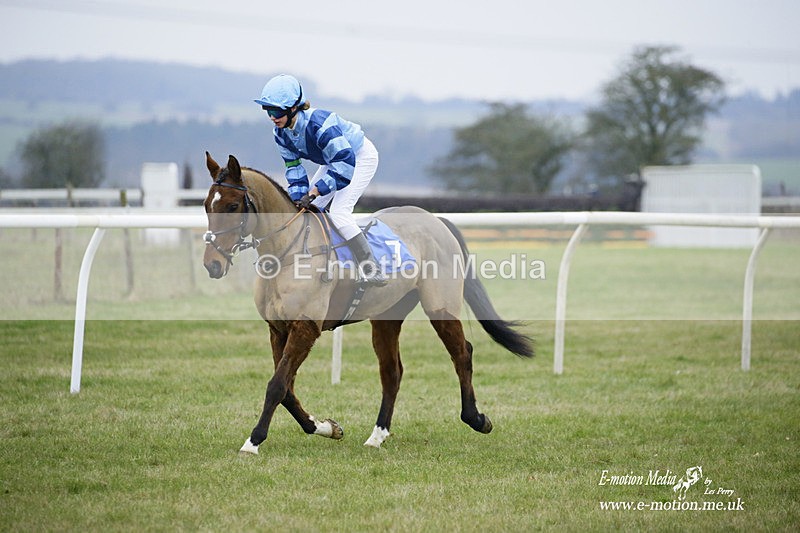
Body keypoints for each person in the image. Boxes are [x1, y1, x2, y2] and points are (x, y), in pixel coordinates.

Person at [254, 74, 387, 286]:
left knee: (339, 212)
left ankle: (371, 268)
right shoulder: (280, 133)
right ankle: (325, 259)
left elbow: (343, 165)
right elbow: (294, 169)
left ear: (293, 109)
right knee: (306, 211)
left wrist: (315, 191)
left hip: (357, 157)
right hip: (330, 159)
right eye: (268, 111)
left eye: (277, 111)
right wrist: (298, 199)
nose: (272, 116)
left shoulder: (320, 125)